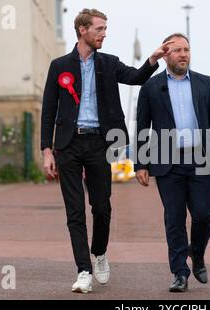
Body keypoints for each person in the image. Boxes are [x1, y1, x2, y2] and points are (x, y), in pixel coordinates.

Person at [41, 8, 173, 294]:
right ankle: (83, 270)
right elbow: (49, 110)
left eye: (105, 28)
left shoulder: (109, 63)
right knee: (74, 211)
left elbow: (137, 77)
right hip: (68, 144)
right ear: (82, 30)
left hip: (101, 143)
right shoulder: (59, 65)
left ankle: (99, 252)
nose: (104, 33)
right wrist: (46, 150)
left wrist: (152, 59)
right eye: (99, 29)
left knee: (101, 207)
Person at [134, 33, 210, 293]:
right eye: (178, 50)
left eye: (187, 49)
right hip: (166, 161)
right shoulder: (151, 86)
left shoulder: (205, 83)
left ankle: (198, 254)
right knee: (175, 218)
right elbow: (142, 127)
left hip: (200, 158)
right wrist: (140, 163)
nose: (184, 54)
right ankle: (180, 272)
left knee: (204, 214)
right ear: (166, 54)